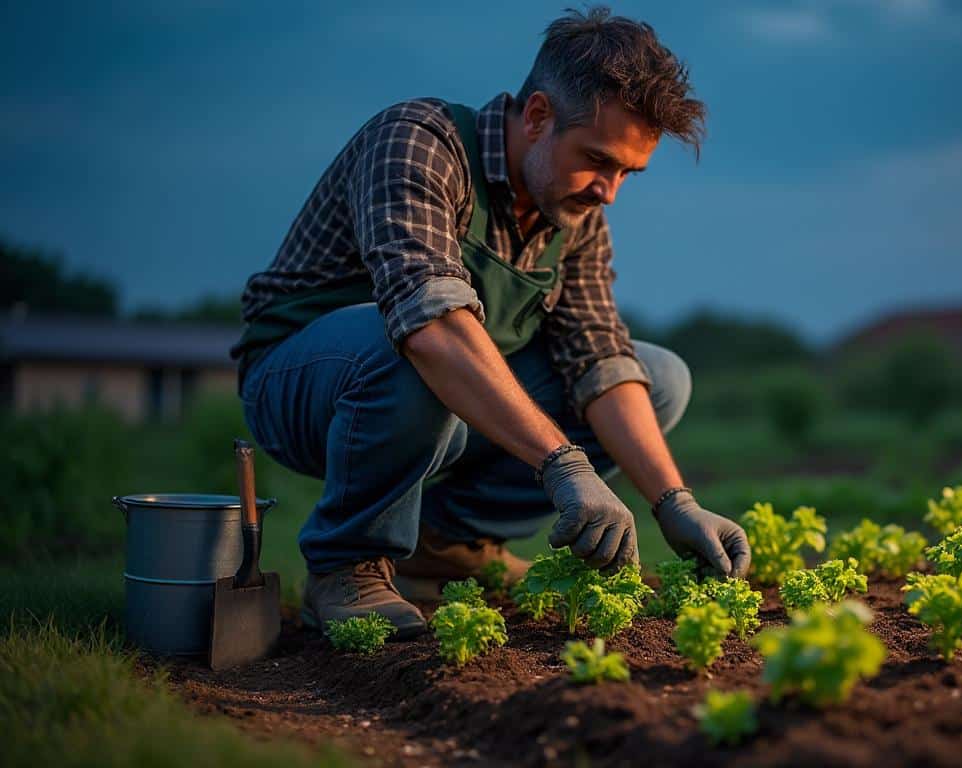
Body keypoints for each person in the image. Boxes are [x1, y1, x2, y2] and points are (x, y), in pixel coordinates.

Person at [231, 7, 750, 639]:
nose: (609, 191)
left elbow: (599, 360)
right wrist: (565, 464)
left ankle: (447, 547)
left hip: (450, 404)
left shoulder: (574, 215)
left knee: (657, 377)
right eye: (597, 159)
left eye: (627, 174)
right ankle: (348, 566)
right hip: (308, 387)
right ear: (536, 117)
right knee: (410, 340)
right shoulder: (418, 142)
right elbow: (430, 325)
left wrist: (675, 503)